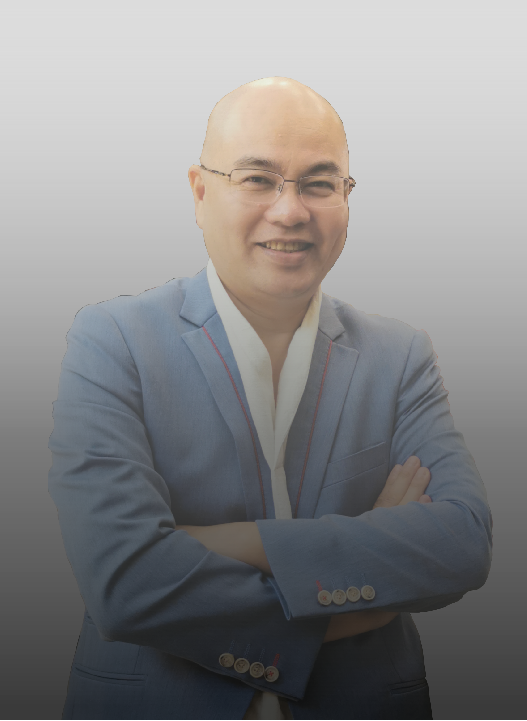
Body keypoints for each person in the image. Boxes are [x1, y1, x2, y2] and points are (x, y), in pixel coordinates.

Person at [48, 77, 492, 720]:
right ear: (200, 193)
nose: (290, 211)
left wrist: (227, 542)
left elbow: (462, 543)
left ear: (346, 197)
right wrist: (365, 588)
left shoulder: (400, 356)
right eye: (257, 179)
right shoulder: (112, 340)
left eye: (319, 183)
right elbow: (124, 582)